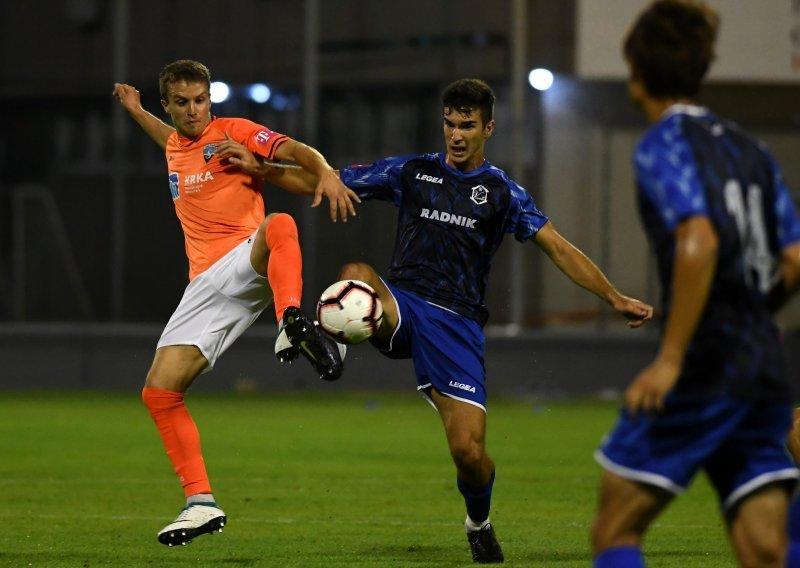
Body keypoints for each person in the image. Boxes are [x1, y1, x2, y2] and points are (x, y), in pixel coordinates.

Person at [221, 77, 654, 564]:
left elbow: (557, 247)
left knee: (469, 454)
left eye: (467, 125)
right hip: (401, 306)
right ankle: (334, 346)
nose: (456, 134)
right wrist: (263, 168)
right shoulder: (413, 172)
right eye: (449, 124)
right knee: (356, 276)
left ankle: (478, 522)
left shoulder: (501, 192)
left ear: (488, 128)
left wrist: (613, 297)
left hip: (457, 327)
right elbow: (325, 180)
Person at [112, 59, 359, 546]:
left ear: (211, 99)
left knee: (281, 224)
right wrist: (136, 110)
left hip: (247, 262)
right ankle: (200, 504)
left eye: (200, 100)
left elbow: (295, 150)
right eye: (181, 103)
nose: (193, 111)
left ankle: (292, 318)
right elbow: (170, 138)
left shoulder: (234, 131)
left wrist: (325, 172)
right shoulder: (174, 146)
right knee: (159, 392)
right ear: (169, 104)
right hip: (204, 286)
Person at [590, 2, 800, 567]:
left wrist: (672, 357)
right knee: (766, 548)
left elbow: (699, 239)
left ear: (637, 68)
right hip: (763, 363)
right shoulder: (749, 149)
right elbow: (795, 260)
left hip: (707, 362)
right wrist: (753, 316)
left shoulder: (663, 144)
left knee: (615, 527)